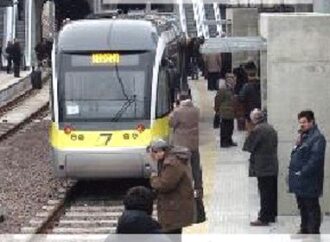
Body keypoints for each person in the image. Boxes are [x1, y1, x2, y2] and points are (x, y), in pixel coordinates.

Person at [169, 92, 205, 223]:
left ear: (179, 99)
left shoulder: (178, 112)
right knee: (196, 167)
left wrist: (174, 109)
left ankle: (185, 189)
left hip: (181, 146)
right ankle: (199, 188)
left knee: (183, 168)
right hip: (194, 144)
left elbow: (171, 123)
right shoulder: (196, 110)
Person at [288, 110, 326, 234]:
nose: (301, 125)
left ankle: (313, 232)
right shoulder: (303, 136)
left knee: (311, 207)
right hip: (300, 181)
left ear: (311, 122)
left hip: (310, 180)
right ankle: (304, 229)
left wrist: (302, 172)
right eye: (300, 122)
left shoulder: (317, 138)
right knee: (303, 206)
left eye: (304, 122)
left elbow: (315, 160)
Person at [148, 139, 194, 235]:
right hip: (174, 204)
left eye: (152, 154)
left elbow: (165, 185)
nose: (152, 157)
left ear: (160, 151)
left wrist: (153, 178)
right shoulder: (168, 159)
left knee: (171, 234)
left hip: (174, 206)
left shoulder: (172, 163)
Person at [243, 109, 278, 226]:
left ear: (254, 119)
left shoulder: (258, 130)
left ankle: (264, 217)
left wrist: (249, 133)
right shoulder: (270, 127)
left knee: (264, 192)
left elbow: (248, 146)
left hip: (263, 166)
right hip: (272, 164)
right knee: (271, 192)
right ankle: (271, 214)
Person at [214, 73, 237, 148]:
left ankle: (229, 140)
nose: (233, 81)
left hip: (231, 111)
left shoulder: (232, 89)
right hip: (225, 111)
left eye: (233, 79)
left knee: (230, 127)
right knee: (224, 127)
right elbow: (218, 99)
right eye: (232, 80)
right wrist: (217, 109)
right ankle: (224, 142)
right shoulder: (223, 89)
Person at [239, 61, 261, 133]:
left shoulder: (246, 86)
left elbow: (241, 97)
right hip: (259, 110)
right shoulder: (260, 84)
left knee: (251, 131)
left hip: (249, 112)